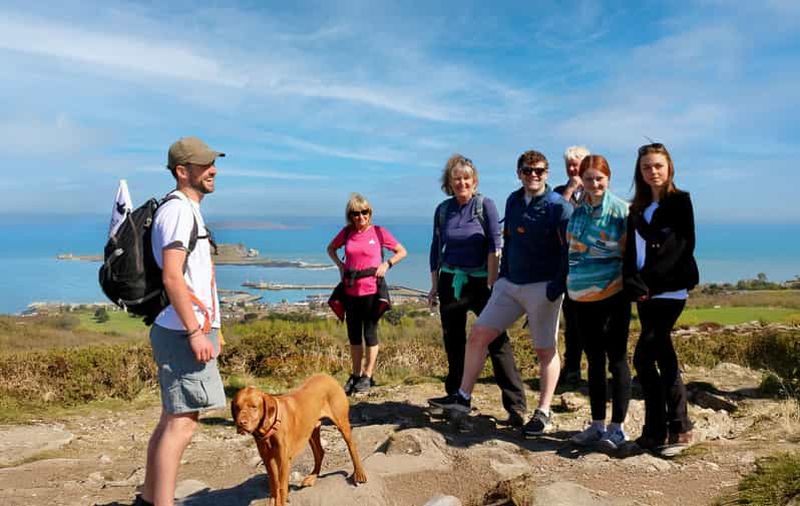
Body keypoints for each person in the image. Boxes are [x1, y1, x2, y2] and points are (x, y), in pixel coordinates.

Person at [430, 150, 572, 438]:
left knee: (544, 349)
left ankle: (541, 412)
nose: (534, 175)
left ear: (547, 173)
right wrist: (503, 276)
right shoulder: (514, 200)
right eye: (528, 170)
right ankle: (463, 398)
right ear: (518, 172)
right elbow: (507, 241)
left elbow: (569, 250)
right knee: (479, 335)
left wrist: (557, 286)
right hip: (509, 283)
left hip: (540, 285)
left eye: (540, 170)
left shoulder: (559, 207)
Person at [137, 137, 227, 506]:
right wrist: (195, 331)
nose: (213, 170)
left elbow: (195, 278)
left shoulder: (188, 209)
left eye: (212, 163)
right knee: (182, 424)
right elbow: (173, 276)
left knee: (171, 418)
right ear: (181, 171)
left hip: (182, 326)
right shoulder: (177, 212)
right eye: (204, 165)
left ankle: (149, 497)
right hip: (180, 330)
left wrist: (214, 328)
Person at [426, 155, 527, 427]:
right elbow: (436, 249)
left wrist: (493, 283)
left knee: (496, 340)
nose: (461, 183)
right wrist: (435, 284)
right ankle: (457, 395)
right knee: (454, 339)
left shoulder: (485, 206)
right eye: (456, 178)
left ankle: (515, 404)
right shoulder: (443, 210)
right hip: (451, 281)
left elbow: (495, 245)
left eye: (466, 178)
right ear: (449, 182)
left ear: (475, 180)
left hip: (483, 283)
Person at [623, 143, 699, 456]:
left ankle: (667, 427)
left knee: (644, 357)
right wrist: (631, 281)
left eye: (658, 166)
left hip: (669, 290)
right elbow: (630, 251)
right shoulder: (637, 208)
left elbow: (681, 247)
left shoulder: (680, 202)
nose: (653, 171)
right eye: (646, 167)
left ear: (669, 167)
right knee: (663, 355)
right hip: (643, 291)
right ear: (639, 172)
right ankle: (672, 428)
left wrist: (648, 283)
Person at [565, 155, 632, 450]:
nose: (594, 184)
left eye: (599, 178)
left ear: (609, 177)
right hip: (581, 297)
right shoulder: (579, 211)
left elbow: (630, 254)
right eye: (589, 178)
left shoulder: (620, 210)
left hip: (612, 295)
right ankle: (596, 424)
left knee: (616, 360)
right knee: (593, 361)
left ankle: (617, 428)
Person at [327, 193, 407, 395]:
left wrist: (386, 264)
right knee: (354, 336)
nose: (360, 217)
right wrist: (341, 265)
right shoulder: (346, 233)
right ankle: (355, 375)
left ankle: (367, 376)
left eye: (364, 212)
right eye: (355, 213)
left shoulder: (379, 232)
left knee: (369, 334)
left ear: (369, 213)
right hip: (350, 290)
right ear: (350, 215)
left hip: (372, 290)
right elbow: (331, 249)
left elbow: (401, 251)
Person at [554, 146, 591, 386]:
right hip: (567, 267)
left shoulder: (596, 189)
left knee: (593, 321)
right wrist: (569, 191)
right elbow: (554, 216)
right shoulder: (558, 192)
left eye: (576, 164)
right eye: (568, 164)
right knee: (572, 320)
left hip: (592, 266)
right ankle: (572, 367)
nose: (572, 169)